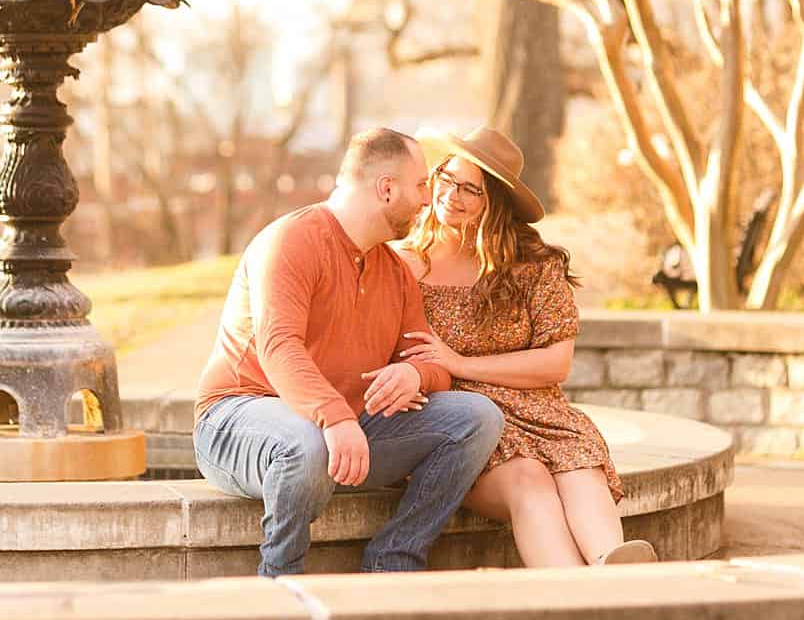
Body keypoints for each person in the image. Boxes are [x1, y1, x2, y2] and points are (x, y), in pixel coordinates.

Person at [193, 127, 504, 577]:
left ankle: (392, 561)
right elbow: (279, 346)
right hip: (239, 419)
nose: (425, 200)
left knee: (477, 418)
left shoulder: (394, 271)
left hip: (343, 431)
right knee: (305, 442)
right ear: (386, 189)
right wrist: (335, 417)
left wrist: (415, 376)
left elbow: (430, 362)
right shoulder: (290, 241)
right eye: (420, 185)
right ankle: (280, 579)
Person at [395, 127, 657, 568]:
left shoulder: (534, 265)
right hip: (467, 423)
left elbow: (556, 363)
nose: (451, 195)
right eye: (446, 178)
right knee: (530, 478)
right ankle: (583, 595)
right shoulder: (405, 264)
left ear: (493, 203)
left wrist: (460, 361)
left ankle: (614, 566)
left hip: (544, 416)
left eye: (469, 190)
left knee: (578, 461)